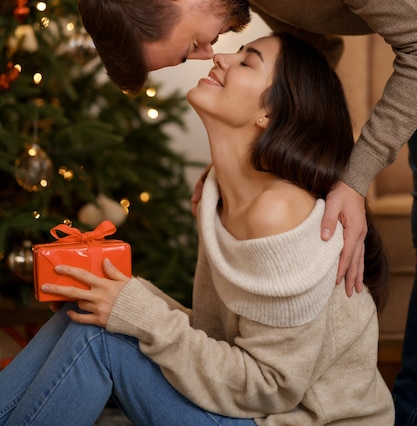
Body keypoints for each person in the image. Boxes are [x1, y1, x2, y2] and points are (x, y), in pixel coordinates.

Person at [77, 0, 417, 421]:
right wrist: (252, 162)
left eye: (188, 46)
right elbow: (309, 60)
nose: (209, 53)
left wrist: (354, 178)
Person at [0, 33, 393, 424]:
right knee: (86, 308)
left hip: (300, 419)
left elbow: (269, 387)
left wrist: (137, 312)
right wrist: (119, 297)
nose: (221, 57)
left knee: (100, 336)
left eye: (246, 61)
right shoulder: (222, 194)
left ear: (270, 114)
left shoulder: (278, 211)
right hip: (259, 410)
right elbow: (219, 339)